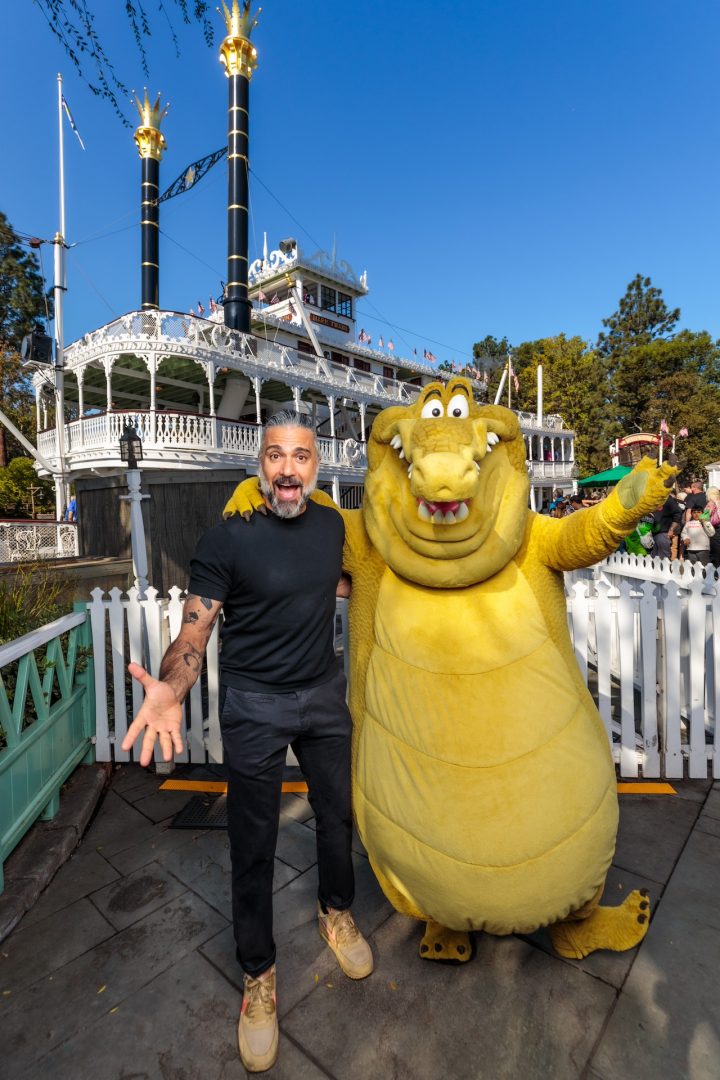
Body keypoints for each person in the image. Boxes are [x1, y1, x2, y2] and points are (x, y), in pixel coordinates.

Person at [121, 410, 373, 1073]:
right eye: (274, 455)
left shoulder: (333, 527)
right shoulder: (226, 539)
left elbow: (341, 586)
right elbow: (193, 632)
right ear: (259, 465)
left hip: (323, 697)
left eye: (300, 456)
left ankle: (337, 911)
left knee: (337, 817)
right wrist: (171, 687)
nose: (288, 468)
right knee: (253, 843)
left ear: (318, 467)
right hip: (253, 706)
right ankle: (258, 975)